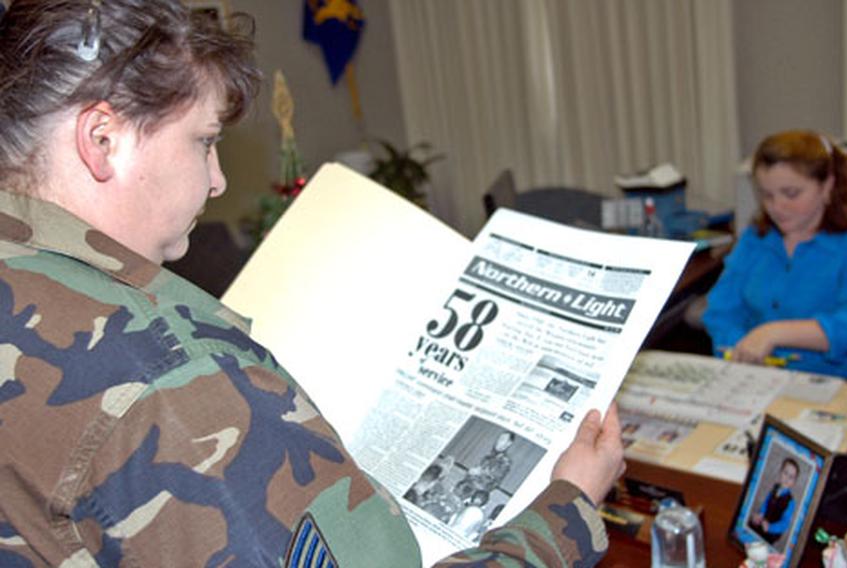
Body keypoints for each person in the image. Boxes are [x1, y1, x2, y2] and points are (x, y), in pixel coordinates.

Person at [0, 1, 626, 566]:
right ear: (102, 140)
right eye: (204, 141)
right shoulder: (173, 381)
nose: (217, 181)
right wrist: (567, 506)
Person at [703, 130, 847, 379]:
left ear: (827, 185)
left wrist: (773, 333)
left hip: (839, 381)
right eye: (767, 195)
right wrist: (741, 350)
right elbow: (721, 310)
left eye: (791, 193)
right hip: (756, 377)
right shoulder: (755, 239)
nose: (776, 206)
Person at [748, 458, 800, 547]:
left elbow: (784, 523)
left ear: (794, 482)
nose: (787, 478)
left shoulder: (790, 502)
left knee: (760, 545)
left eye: (791, 477)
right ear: (780, 473)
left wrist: (770, 527)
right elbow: (766, 504)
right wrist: (761, 514)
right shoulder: (774, 489)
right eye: (785, 473)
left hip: (772, 531)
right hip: (764, 521)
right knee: (750, 525)